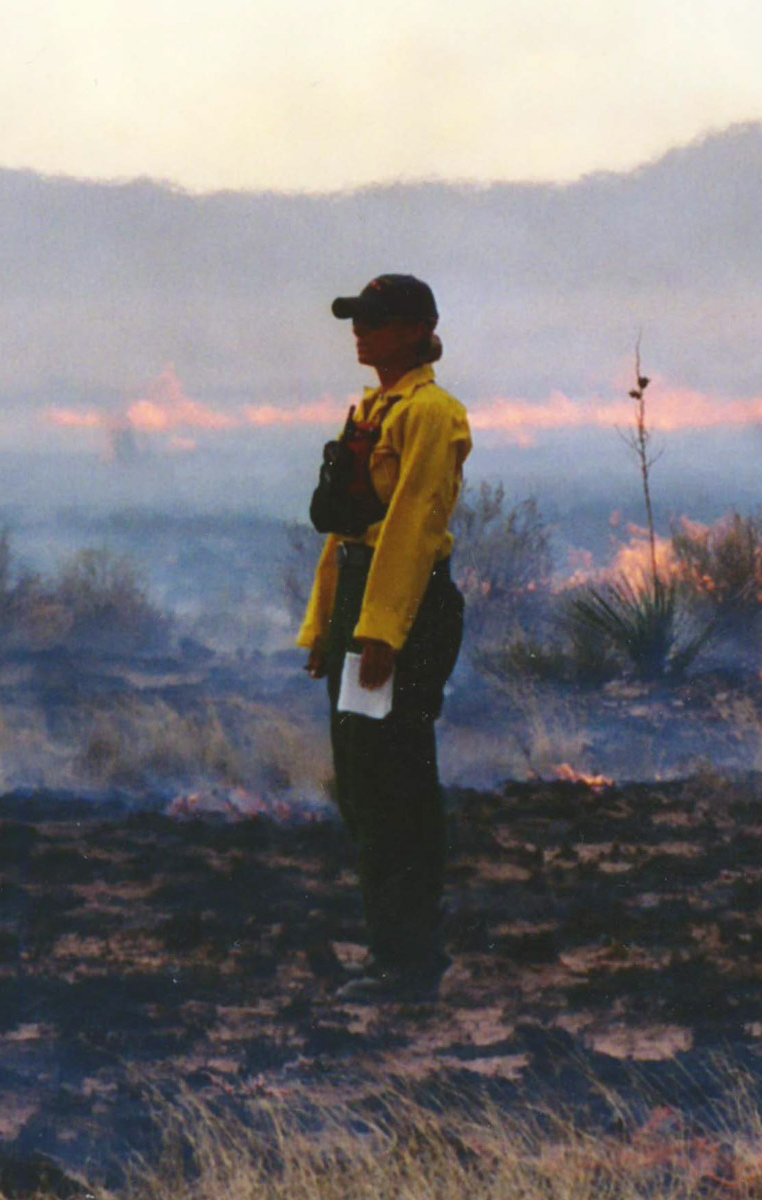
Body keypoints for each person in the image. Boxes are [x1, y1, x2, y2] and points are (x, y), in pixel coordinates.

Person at [296, 273, 472, 1001]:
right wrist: (325, 625)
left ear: (414, 329)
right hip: (368, 608)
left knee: (394, 782)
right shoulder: (375, 409)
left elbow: (412, 527)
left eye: (373, 320)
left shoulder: (432, 414)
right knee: (364, 782)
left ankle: (409, 963)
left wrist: (380, 634)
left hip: (402, 613)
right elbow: (348, 535)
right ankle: (391, 951)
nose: (358, 332)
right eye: (357, 319)